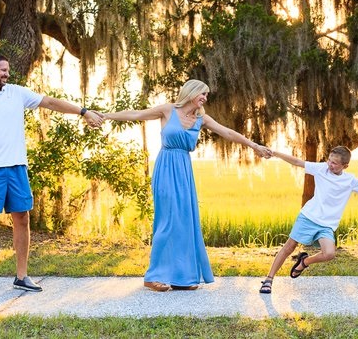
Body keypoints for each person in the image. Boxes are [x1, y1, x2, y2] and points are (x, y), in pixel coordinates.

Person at [96, 79, 271, 292]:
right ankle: (153, 276)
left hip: (184, 171)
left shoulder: (201, 118)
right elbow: (136, 114)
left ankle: (181, 277)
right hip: (166, 167)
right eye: (203, 94)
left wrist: (254, 146)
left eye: (207, 95)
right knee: (168, 221)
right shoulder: (167, 110)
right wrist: (105, 116)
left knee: (185, 222)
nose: (205, 98)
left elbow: (228, 133)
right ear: (191, 92)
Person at [0, 53, 103, 294]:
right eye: (3, 70)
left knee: (22, 218)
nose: (7, 74)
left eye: (8, 70)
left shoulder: (17, 93)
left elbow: (51, 103)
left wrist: (83, 112)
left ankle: (21, 276)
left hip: (17, 167)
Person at [259, 146, 358, 294]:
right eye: (329, 160)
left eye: (335, 163)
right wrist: (276, 153)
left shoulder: (349, 180)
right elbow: (297, 162)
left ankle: (304, 262)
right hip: (308, 217)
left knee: (329, 253)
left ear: (345, 165)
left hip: (326, 225)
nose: (330, 164)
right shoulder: (321, 169)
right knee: (289, 247)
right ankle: (269, 279)